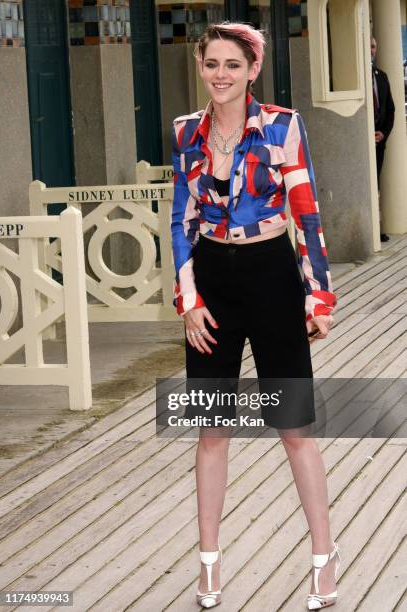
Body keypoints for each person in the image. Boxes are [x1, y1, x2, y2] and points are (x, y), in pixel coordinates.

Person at [170, 22, 340, 610]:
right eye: (211, 63)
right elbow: (181, 222)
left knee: (295, 430)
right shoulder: (186, 132)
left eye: (232, 65)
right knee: (211, 430)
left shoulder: (282, 127)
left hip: (271, 276)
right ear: (200, 66)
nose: (221, 74)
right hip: (213, 283)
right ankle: (209, 563)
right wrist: (188, 299)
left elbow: (308, 213)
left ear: (252, 69)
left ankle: (323, 558)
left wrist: (317, 295)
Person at [371, 36, 395, 242]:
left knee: (377, 185)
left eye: (374, 46)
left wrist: (383, 133)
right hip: (362, 141)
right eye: (369, 46)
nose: (371, 50)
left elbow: (391, 109)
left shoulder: (382, 76)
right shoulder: (357, 74)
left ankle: (378, 228)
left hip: (379, 142)